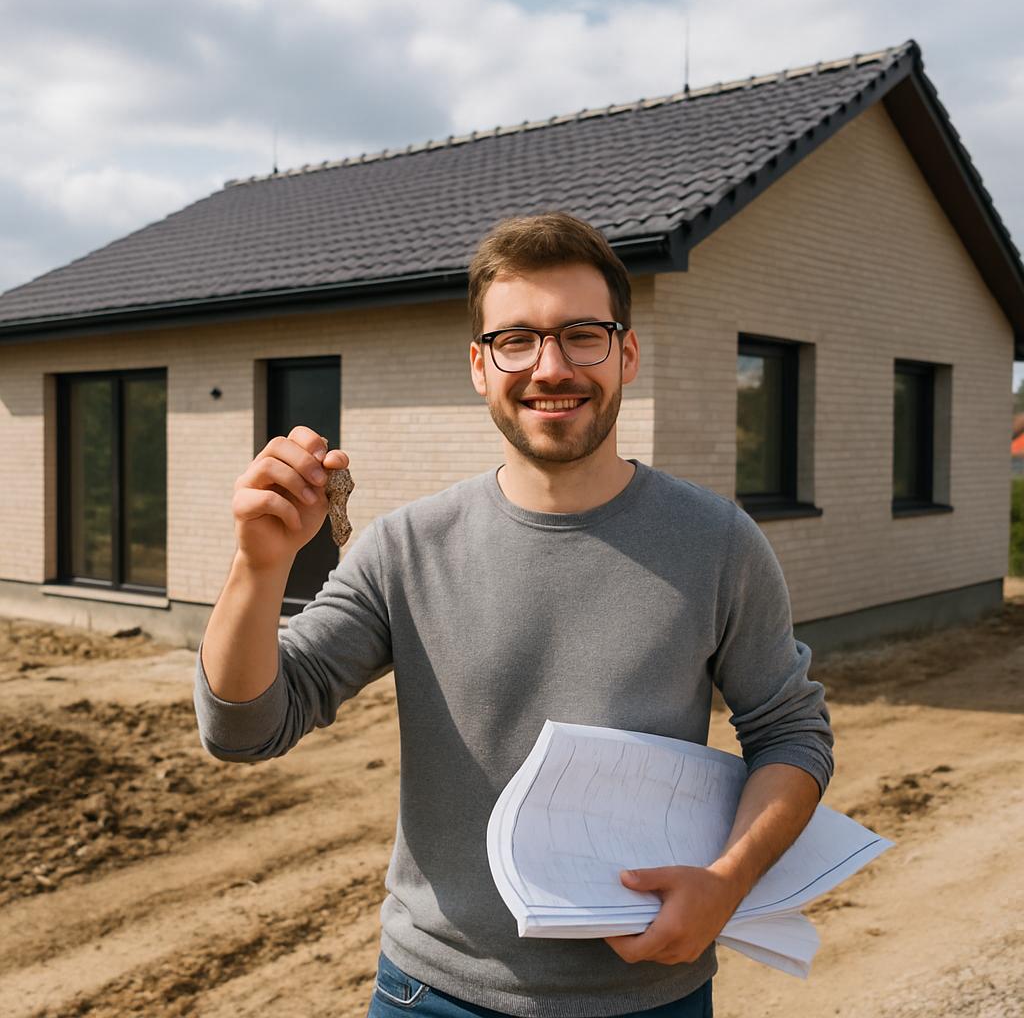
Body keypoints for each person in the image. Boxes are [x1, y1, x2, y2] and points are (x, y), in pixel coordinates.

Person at [194, 212, 833, 1018]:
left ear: (627, 352)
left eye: (582, 335)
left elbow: (790, 733)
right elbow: (246, 728)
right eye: (517, 341)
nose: (551, 367)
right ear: (479, 365)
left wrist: (728, 881)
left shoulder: (718, 543)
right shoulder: (406, 548)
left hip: (650, 995)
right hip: (432, 992)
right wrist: (258, 566)